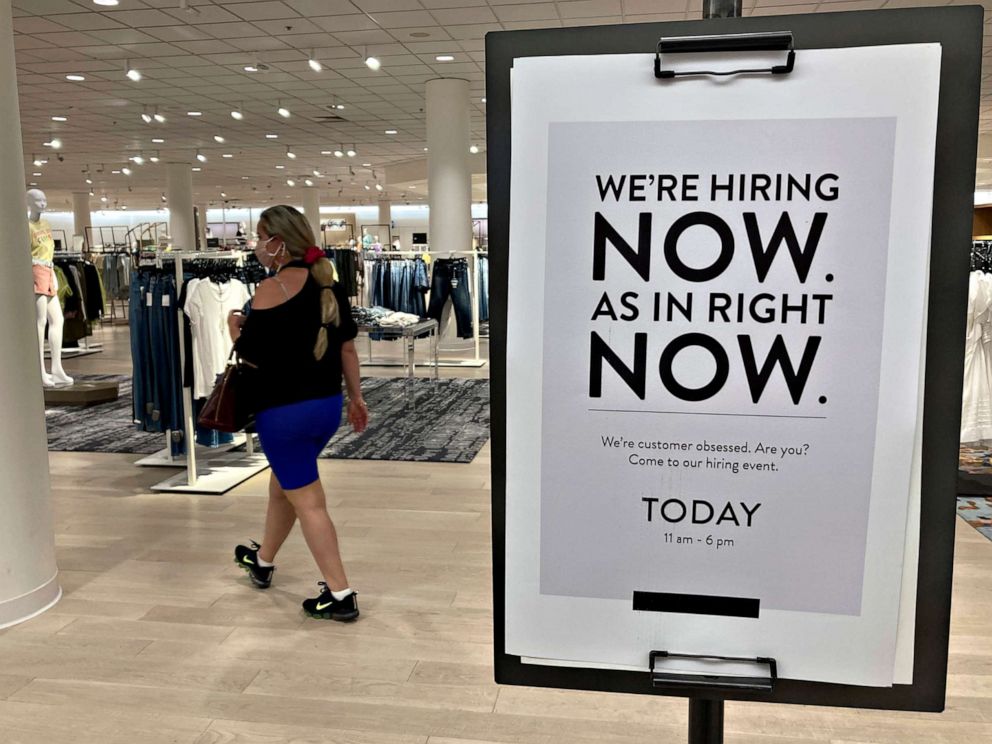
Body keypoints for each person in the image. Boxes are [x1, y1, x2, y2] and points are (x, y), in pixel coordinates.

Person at [228, 205, 368, 621]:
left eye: (259, 237)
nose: (256, 246)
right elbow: (346, 348)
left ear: (278, 242)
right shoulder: (329, 287)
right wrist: (356, 399)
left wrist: (234, 326)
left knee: (309, 502)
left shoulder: (270, 290)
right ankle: (263, 561)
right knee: (284, 485)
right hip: (324, 408)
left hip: (282, 414)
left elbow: (249, 353)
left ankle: (340, 594)